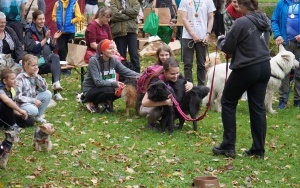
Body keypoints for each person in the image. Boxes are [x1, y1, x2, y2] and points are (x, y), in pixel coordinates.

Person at [212, 0, 271, 159]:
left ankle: (228, 146)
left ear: (243, 5)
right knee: (258, 108)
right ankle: (258, 150)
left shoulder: (242, 22)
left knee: (228, 102)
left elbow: (228, 47)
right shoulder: (265, 19)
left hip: (247, 67)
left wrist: (220, 40)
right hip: (265, 65)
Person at [82, 39, 140, 113]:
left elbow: (125, 71)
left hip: (107, 87)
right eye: (110, 49)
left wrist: (141, 76)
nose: (113, 51)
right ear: (102, 51)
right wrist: (114, 84)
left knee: (123, 89)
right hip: (91, 90)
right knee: (109, 90)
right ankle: (91, 103)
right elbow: (97, 82)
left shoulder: (114, 59)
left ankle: (105, 102)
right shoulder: (94, 61)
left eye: (113, 48)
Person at [140, 57, 193, 130]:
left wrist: (190, 84)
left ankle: (168, 122)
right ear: (164, 72)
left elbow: (185, 84)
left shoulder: (178, 76)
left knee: (187, 103)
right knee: (153, 112)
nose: (176, 76)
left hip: (169, 103)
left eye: (177, 73)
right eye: (172, 74)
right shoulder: (156, 81)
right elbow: (144, 102)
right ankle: (151, 123)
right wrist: (165, 102)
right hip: (153, 104)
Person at [24, 10, 64, 101]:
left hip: (46, 59)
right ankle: (50, 90)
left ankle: (56, 88)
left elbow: (52, 47)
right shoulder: (29, 32)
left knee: (56, 59)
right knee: (55, 61)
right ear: (34, 20)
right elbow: (33, 49)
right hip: (36, 62)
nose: (42, 21)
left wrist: (54, 39)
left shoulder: (45, 28)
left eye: (43, 19)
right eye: (39, 19)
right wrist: (45, 39)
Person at [178, 0, 215, 85]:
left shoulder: (208, 1)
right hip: (187, 37)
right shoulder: (184, 1)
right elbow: (183, 18)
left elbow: (211, 17)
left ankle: (201, 87)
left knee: (201, 64)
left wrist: (208, 33)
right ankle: (189, 86)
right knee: (187, 64)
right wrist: (192, 34)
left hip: (203, 37)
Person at [271, 0, 300, 108]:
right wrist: (278, 35)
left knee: (299, 72)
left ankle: (298, 99)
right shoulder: (281, 3)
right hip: (285, 43)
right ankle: (283, 99)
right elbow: (274, 20)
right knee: (283, 72)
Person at [15, 54, 52, 123]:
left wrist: (37, 76)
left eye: (36, 65)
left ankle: (37, 117)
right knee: (34, 111)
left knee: (47, 94)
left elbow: (44, 88)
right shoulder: (20, 78)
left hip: (32, 99)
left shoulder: (34, 75)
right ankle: (27, 115)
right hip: (23, 104)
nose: (36, 67)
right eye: (33, 65)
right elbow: (18, 97)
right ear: (26, 66)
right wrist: (33, 101)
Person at [52, 0, 82, 75]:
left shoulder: (74, 3)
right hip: (61, 31)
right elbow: (53, 16)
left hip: (71, 31)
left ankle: (69, 68)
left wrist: (71, 21)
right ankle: (62, 68)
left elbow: (79, 17)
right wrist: (58, 20)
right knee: (62, 49)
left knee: (70, 50)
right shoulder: (57, 3)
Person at [110, 0, 141, 73]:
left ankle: (137, 74)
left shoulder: (134, 1)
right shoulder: (113, 2)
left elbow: (136, 12)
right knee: (121, 55)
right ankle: (122, 74)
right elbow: (114, 15)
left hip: (131, 30)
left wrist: (123, 11)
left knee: (134, 53)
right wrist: (130, 16)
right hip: (119, 31)